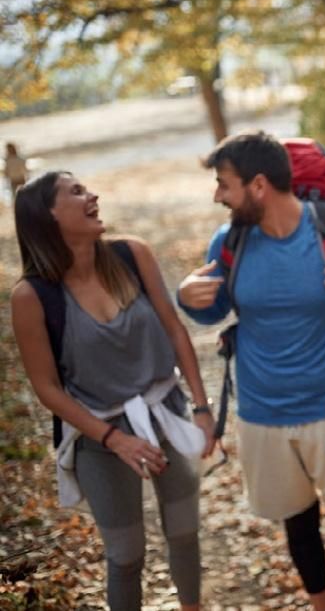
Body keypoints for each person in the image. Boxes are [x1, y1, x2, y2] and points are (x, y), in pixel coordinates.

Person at [176, 131, 325, 611]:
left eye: (224, 184)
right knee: (297, 522)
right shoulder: (230, 241)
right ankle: (322, 604)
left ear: (258, 185)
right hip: (262, 413)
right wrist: (186, 297)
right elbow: (212, 310)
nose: (218, 195)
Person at [10, 171, 217, 611]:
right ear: (47, 214)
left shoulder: (132, 255)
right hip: (97, 438)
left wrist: (201, 408)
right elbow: (46, 388)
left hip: (163, 414)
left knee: (183, 532)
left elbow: (176, 331)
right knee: (126, 555)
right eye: (77, 192)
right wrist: (114, 439)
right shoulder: (32, 296)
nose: (93, 195)